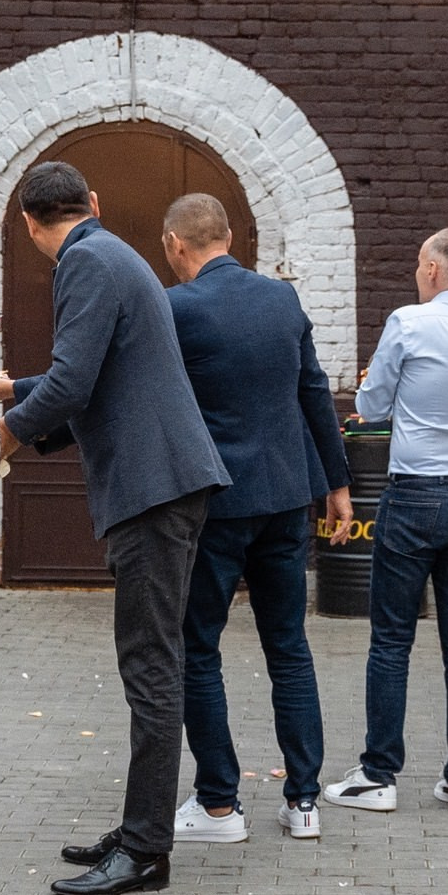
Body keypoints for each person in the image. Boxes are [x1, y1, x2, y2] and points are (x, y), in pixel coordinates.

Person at [0, 161, 229, 895]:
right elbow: (93, 375)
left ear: (27, 225)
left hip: (153, 489)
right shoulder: (111, 252)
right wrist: (17, 390)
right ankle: (140, 826)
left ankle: (147, 851)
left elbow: (74, 384)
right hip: (166, 482)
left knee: (151, 667)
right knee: (154, 663)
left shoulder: (83, 263)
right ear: (92, 201)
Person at [158, 193, 354, 844]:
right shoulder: (283, 300)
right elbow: (314, 393)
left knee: (196, 647)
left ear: (174, 244)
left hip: (215, 505)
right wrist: (339, 486)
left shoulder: (177, 306)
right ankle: (303, 802)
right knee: (289, 647)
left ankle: (218, 804)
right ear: (232, 236)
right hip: (286, 499)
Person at [331, 228, 448, 817]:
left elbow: (372, 407)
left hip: (414, 496)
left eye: (419, 264)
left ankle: (379, 774)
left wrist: (370, 385)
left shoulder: (408, 323)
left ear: (434, 269)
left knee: (391, 639)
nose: (417, 273)